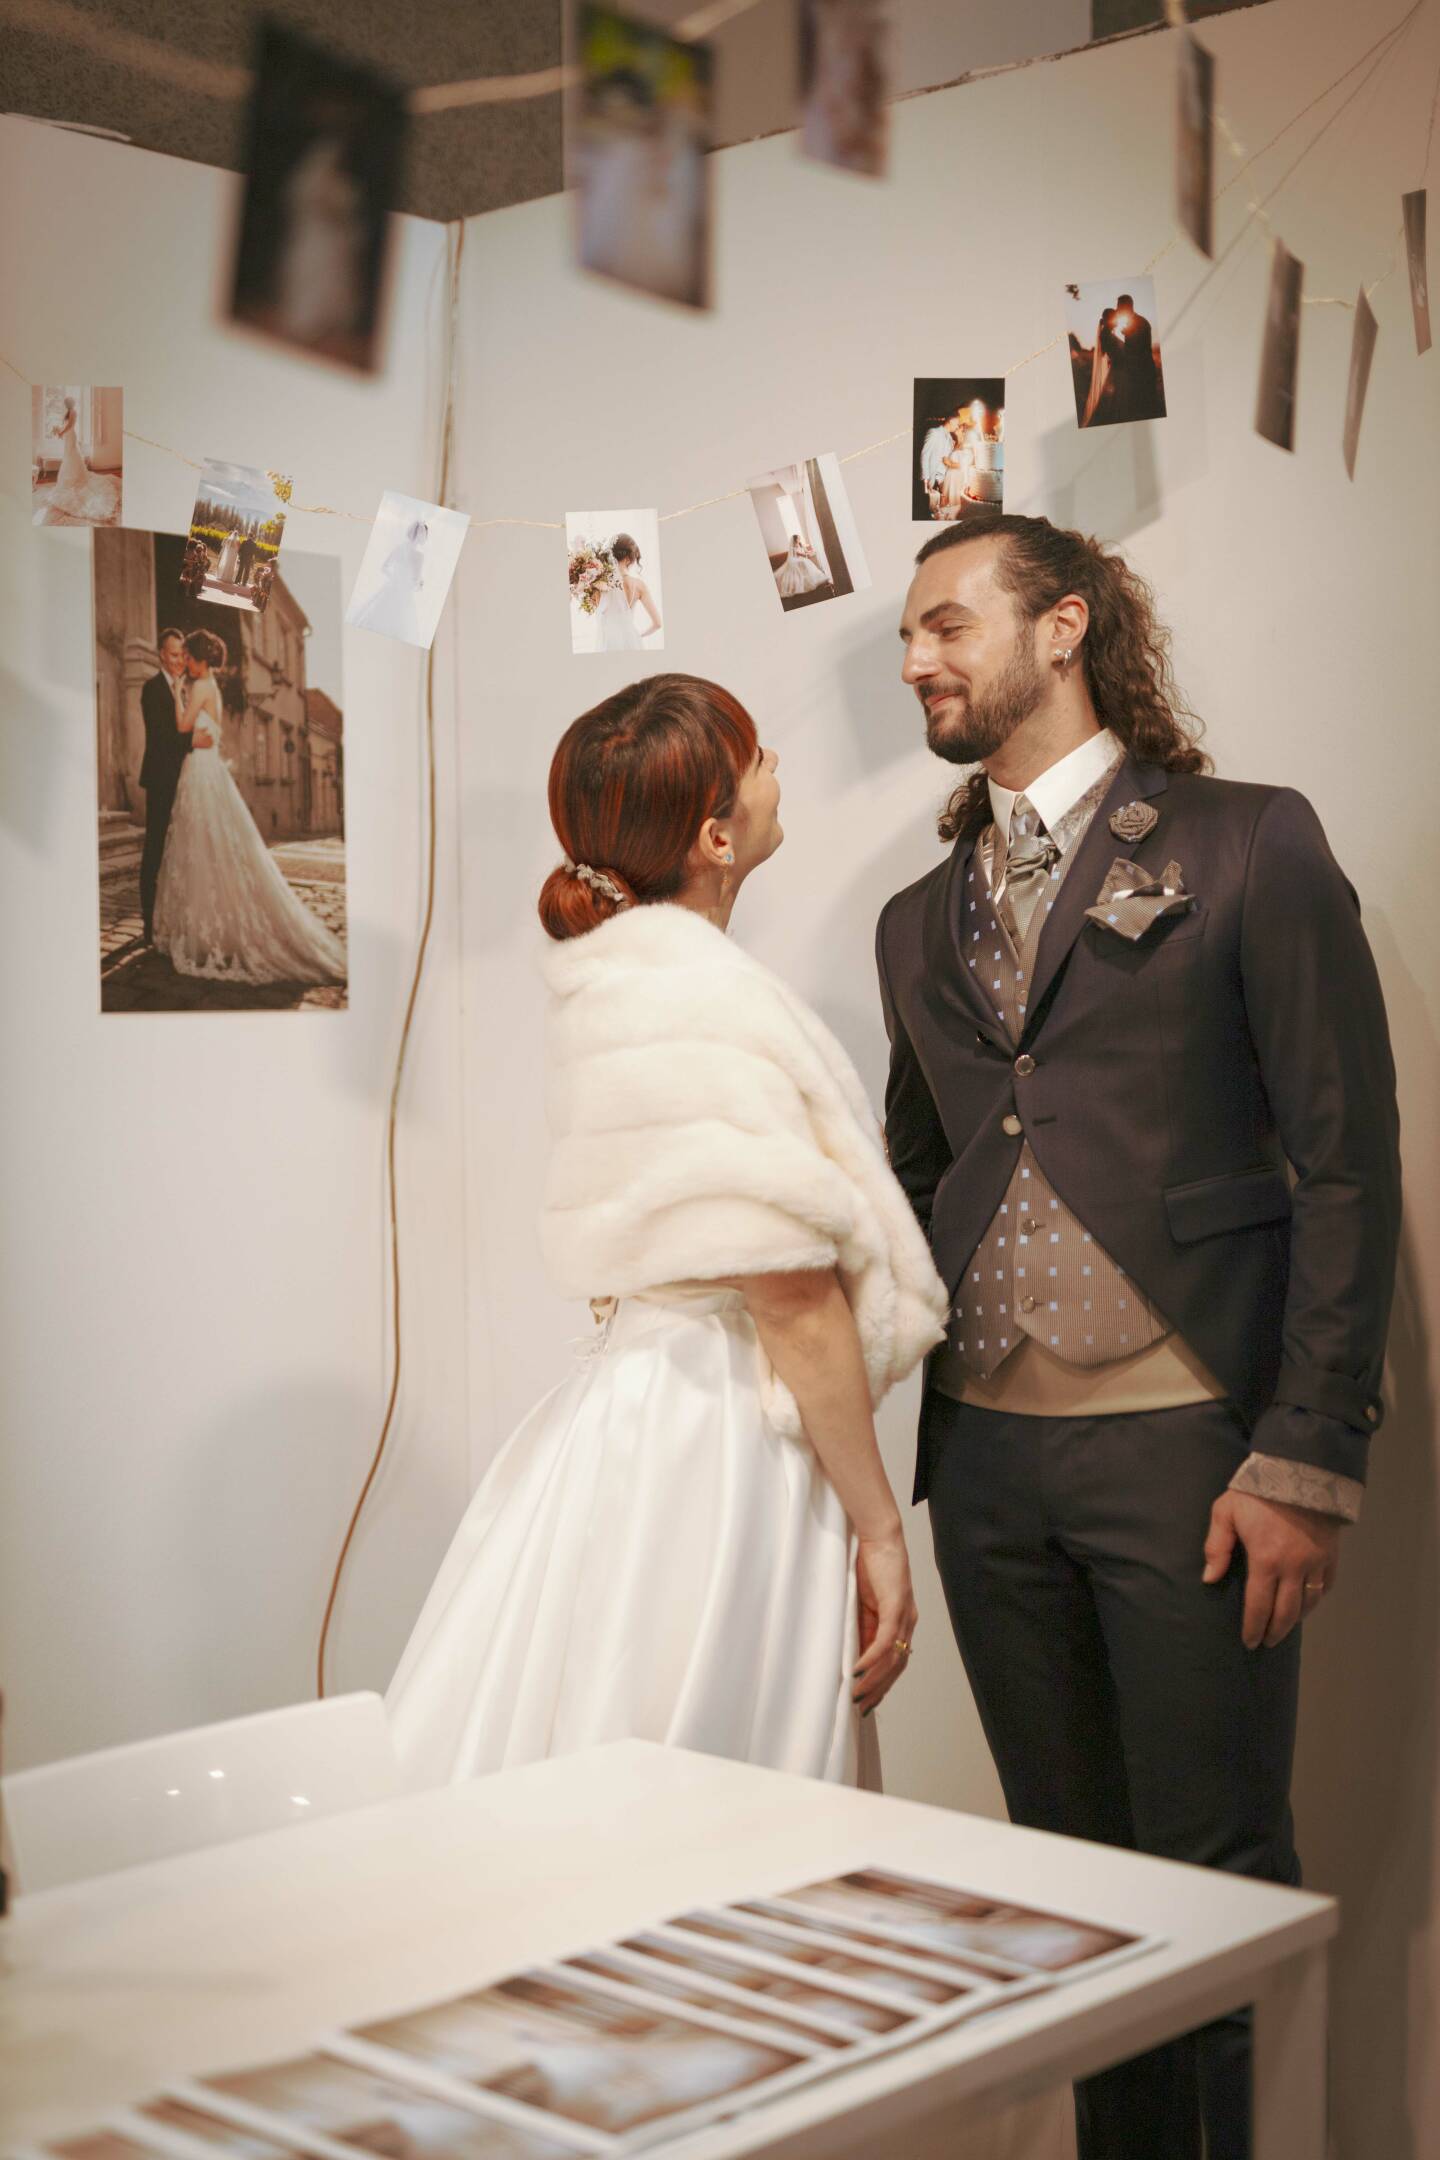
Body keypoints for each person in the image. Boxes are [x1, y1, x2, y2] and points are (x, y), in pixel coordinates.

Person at [878, 510, 1402, 2159]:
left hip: (1195, 1452)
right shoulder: (913, 921)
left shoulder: (1249, 843)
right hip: (988, 1468)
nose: (917, 659)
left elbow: (1347, 1163)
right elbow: (920, 1172)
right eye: (908, 638)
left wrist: (1308, 1452)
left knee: (1213, 1879)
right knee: (1070, 1892)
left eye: (948, 623)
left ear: (1065, 627)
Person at [386, 673, 948, 1790]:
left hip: (644, 1407)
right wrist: (880, 1526)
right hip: (721, 1438)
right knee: (714, 1771)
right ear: (715, 837)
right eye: (757, 757)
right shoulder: (701, 1003)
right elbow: (790, 1298)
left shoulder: (621, 986)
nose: (776, 768)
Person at [153, 629, 347, 986]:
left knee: (202, 847)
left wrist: (178, 692)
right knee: (210, 848)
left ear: (201, 660)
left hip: (201, 774)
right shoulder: (211, 687)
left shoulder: (200, 687)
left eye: (190, 658)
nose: (187, 664)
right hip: (205, 770)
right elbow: (203, 733)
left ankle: (207, 931)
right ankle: (208, 927)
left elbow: (182, 725)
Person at [138, 628, 194, 946]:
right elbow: (162, 737)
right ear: (161, 654)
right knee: (155, 849)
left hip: (185, 781)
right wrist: (193, 740)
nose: (179, 661)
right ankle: (148, 923)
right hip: (161, 781)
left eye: (182, 654)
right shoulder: (152, 688)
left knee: (181, 849)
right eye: (173, 655)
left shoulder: (185, 690)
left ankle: (173, 918)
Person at [38, 395, 119, 525]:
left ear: (70, 403)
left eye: (67, 403)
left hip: (70, 435)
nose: (66, 405)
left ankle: (75, 477)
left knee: (71, 455)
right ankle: (71, 477)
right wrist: (59, 430)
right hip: (68, 436)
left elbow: (70, 425)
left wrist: (61, 432)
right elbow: (66, 425)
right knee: (69, 455)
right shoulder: (68, 412)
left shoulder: (73, 412)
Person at [351, 516, 431, 645]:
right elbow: (415, 580)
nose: (425, 538)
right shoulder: (419, 557)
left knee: (378, 615)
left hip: (390, 588)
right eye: (425, 535)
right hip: (404, 595)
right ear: (421, 535)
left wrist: (395, 579)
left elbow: (384, 568)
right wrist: (419, 584)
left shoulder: (399, 548)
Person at [593, 532, 661, 651]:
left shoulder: (598, 583)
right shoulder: (639, 585)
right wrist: (638, 636)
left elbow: (599, 615)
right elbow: (657, 624)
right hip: (632, 642)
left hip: (608, 643)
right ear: (629, 558)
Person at [775, 534, 829, 599]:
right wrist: (806, 554)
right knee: (804, 561)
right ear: (795, 540)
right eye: (798, 538)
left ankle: (810, 575)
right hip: (794, 559)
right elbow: (800, 554)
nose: (799, 539)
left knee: (805, 561)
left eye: (799, 538)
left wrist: (809, 552)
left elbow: (805, 551)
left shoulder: (800, 544)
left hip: (800, 558)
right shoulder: (793, 547)